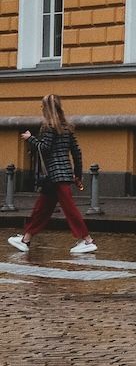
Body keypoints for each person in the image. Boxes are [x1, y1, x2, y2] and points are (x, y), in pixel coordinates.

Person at [8, 95, 96, 256]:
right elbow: (77, 153)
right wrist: (77, 175)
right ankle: (25, 239)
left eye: (42, 107)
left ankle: (87, 240)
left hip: (54, 176)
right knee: (41, 209)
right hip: (61, 176)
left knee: (69, 209)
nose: (41, 109)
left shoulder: (49, 127)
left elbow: (45, 148)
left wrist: (30, 139)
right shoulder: (67, 128)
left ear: (47, 109)